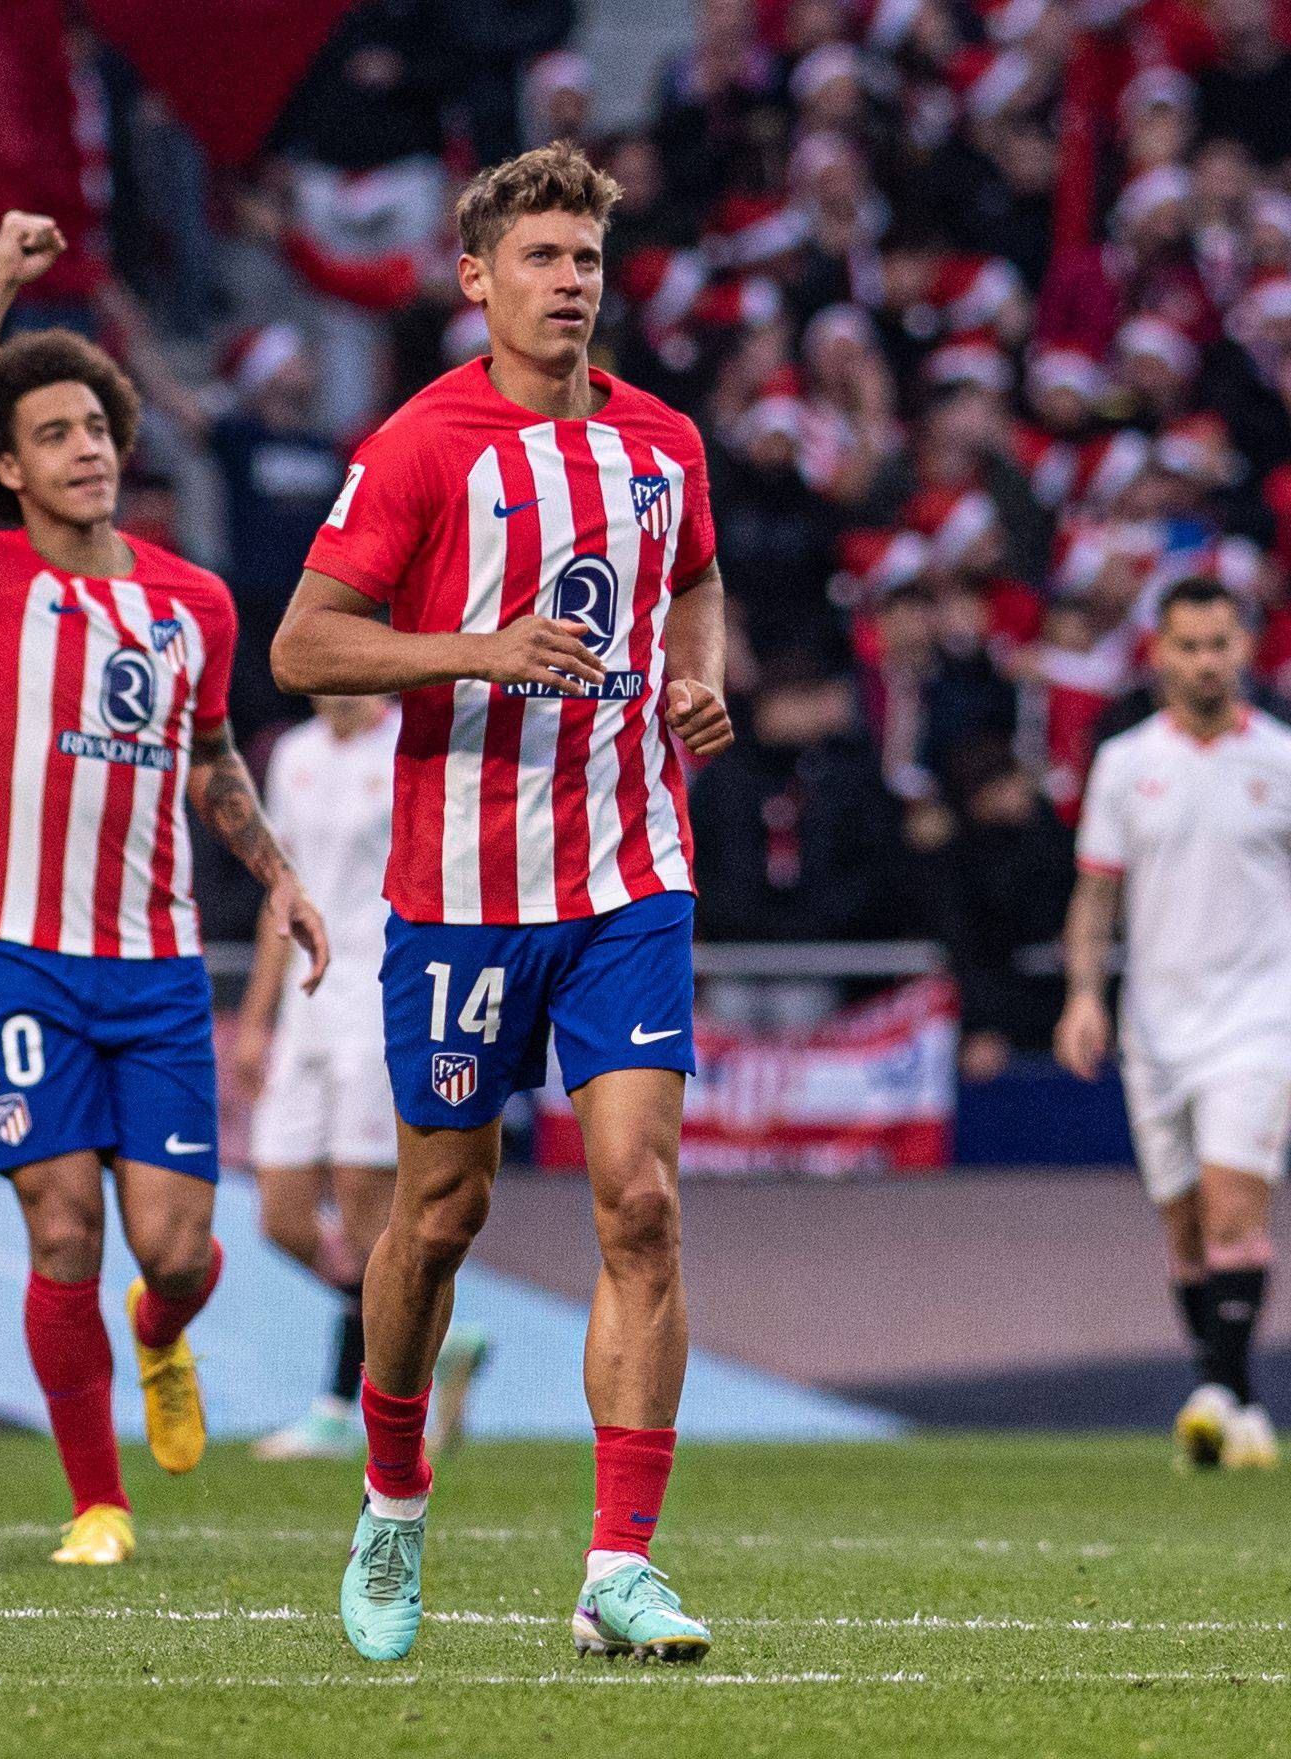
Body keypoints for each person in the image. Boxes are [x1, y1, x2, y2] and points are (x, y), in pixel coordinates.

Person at [270, 143, 737, 1666]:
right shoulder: (421, 446)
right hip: (463, 892)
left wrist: (696, 677)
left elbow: (695, 579)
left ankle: (620, 1565)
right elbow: (303, 645)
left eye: (587, 257)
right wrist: (472, 648)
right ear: (478, 279)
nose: (570, 281)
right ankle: (392, 1500)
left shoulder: (664, 441)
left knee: (641, 1199)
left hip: (630, 876)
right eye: (541, 257)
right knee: (439, 1213)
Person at [0, 209, 326, 1568]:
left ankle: (162, 1331)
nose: (86, 447)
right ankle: (98, 1501)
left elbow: (211, 756)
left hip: (153, 967)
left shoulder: (195, 602)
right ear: (10, 469)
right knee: (62, 1222)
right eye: (53, 434)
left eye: (96, 426)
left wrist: (278, 874)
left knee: (177, 1248)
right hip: (19, 955)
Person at [1055, 578, 1291, 1473]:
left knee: (1230, 1210)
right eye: (1188, 645)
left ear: (1244, 648)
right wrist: (1083, 994)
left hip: (1259, 1019)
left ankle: (1211, 1392)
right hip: (1155, 1027)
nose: (1205, 662)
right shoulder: (1123, 764)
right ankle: (1238, 1402)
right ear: (1158, 654)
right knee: (1183, 1234)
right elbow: (1095, 896)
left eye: (1219, 643)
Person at [231, 693, 492, 1461]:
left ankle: (338, 1408)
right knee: (282, 1216)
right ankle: (435, 1334)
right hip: (305, 1010)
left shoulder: (414, 745)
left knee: (363, 1214)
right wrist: (256, 1017)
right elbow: (282, 895)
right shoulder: (294, 755)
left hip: (381, 1004)